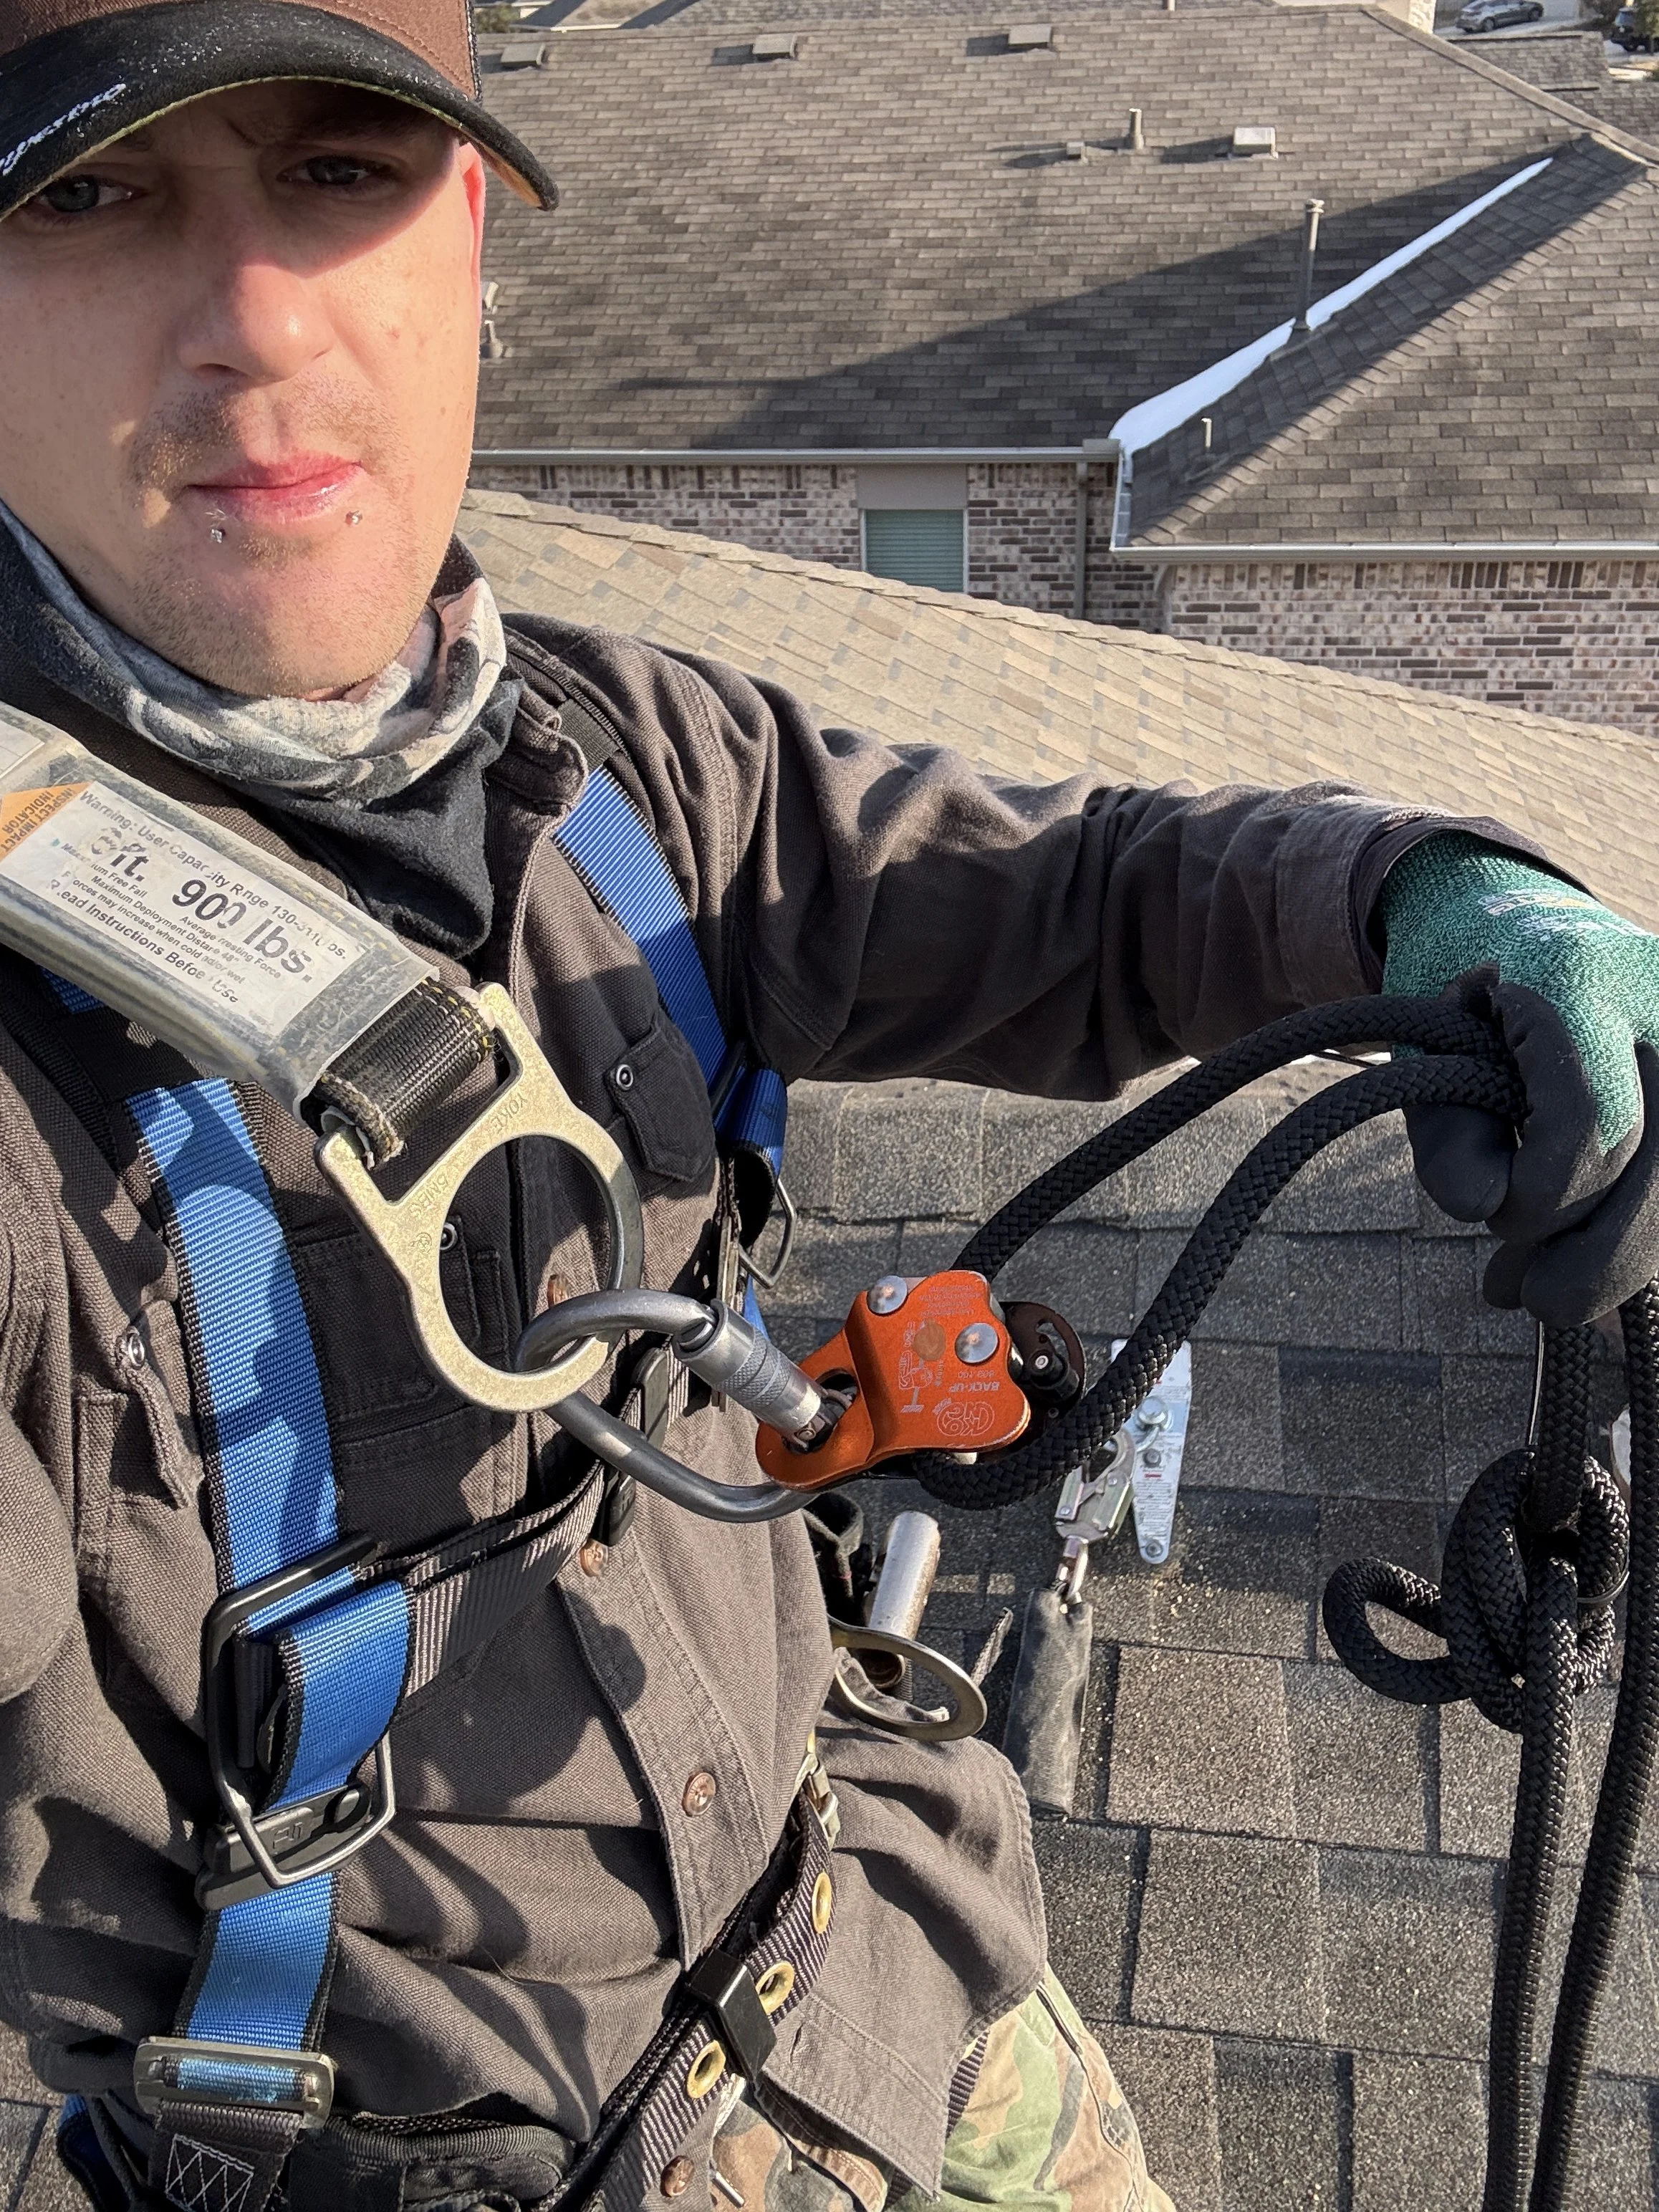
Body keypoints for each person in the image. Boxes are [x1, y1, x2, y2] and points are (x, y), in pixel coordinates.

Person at [0, 5, 1655, 2209]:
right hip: (487, 2149)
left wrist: (1423, 897)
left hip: (896, 1947)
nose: (260, 323)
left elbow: (1077, 897)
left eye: (336, 174)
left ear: (463, 223)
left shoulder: (623, 770)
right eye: (91, 197)